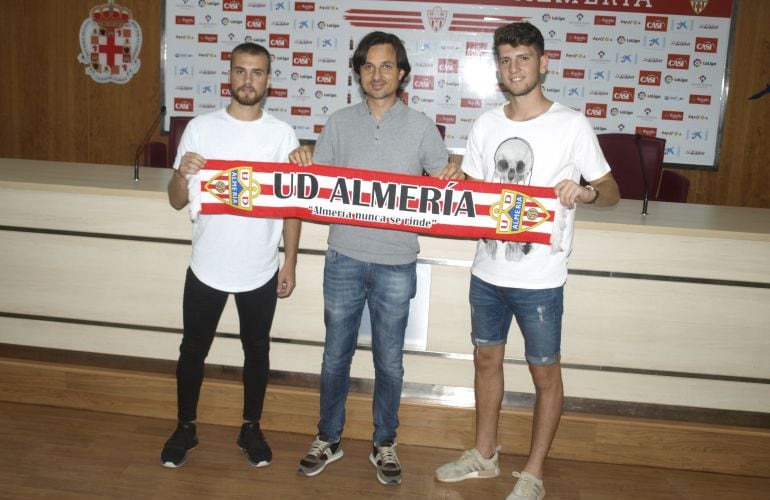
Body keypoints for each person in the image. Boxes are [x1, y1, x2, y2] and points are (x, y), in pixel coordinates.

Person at [434, 22, 620, 500]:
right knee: (485, 362)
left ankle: (534, 472)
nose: (513, 67)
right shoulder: (486, 124)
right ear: (497, 67)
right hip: (486, 271)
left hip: (540, 277)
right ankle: (485, 455)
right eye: (505, 58)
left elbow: (613, 192)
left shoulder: (572, 124)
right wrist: (456, 178)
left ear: (543, 63)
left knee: (544, 372)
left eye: (523, 57)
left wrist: (586, 191)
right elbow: (473, 194)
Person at [289, 31, 462, 485]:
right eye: (368, 66)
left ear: (401, 73)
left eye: (386, 66)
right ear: (359, 72)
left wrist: (452, 173)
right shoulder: (340, 122)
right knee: (334, 358)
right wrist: (305, 158)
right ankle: (329, 436)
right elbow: (317, 182)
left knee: (390, 362)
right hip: (343, 256)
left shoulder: (422, 126)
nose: (377, 74)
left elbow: (444, 183)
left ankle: (385, 441)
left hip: (397, 261)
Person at [160, 42, 301, 469]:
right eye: (240, 71)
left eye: (257, 73)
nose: (247, 80)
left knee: (256, 352)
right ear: (230, 76)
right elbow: (175, 201)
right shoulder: (201, 128)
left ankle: (251, 427)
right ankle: (185, 427)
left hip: (259, 267)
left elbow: (292, 205)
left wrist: (290, 261)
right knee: (192, 351)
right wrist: (183, 174)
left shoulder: (282, 135)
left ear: (269, 80)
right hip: (207, 265)